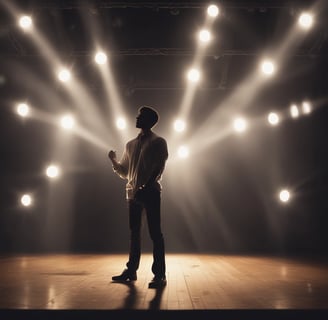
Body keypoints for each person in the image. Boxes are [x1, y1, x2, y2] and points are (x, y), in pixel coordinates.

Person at [108, 106, 169, 288]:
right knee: (135, 233)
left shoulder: (159, 142)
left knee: (155, 233)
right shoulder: (130, 145)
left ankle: (159, 275)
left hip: (150, 193)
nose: (136, 118)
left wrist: (146, 185)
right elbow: (126, 172)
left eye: (140, 116)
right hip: (133, 194)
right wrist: (113, 161)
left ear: (149, 121)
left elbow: (159, 168)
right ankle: (131, 270)